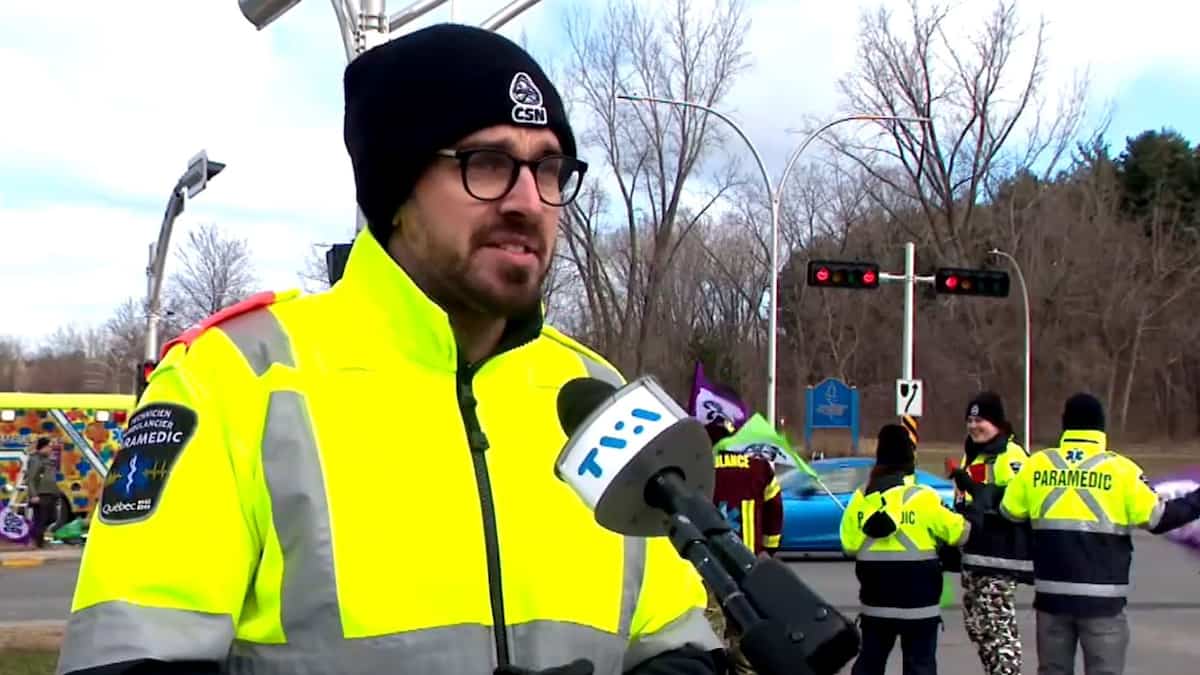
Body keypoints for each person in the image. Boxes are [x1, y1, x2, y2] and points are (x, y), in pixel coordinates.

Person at [57, 24, 720, 675]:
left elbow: (676, 642)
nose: (528, 201)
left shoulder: (598, 396)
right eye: (487, 164)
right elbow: (128, 656)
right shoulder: (233, 380)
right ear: (398, 192)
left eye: (548, 169)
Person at [1000, 393, 1200, 675]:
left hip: (1050, 598)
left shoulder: (1036, 466)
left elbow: (1009, 511)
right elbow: (1159, 519)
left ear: (1065, 425)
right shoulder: (1121, 471)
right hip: (1103, 601)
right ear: (1100, 427)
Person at [841, 424, 972, 675]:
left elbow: (849, 545)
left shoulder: (861, 497)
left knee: (870, 664)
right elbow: (960, 533)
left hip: (875, 603)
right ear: (910, 457)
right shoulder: (923, 497)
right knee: (919, 666)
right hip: (919, 605)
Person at [944, 392, 1032, 675]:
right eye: (969, 420)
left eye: (980, 420)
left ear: (997, 423)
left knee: (998, 631)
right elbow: (968, 504)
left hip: (1000, 559)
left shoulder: (1011, 455)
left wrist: (976, 490)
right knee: (978, 628)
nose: (973, 426)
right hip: (973, 558)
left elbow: (1019, 501)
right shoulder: (972, 455)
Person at [700, 416, 783, 675]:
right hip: (747, 566)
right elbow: (774, 514)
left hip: (706, 567)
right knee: (746, 632)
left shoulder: (697, 469)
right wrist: (768, 550)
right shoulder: (760, 467)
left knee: (708, 634)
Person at [26, 437, 64, 548]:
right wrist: (33, 495)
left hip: (51, 493)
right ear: (43, 447)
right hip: (41, 494)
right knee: (41, 519)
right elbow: (31, 479)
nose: (51, 449)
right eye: (49, 447)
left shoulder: (48, 460)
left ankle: (39, 540)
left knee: (52, 517)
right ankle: (38, 542)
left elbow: (51, 477)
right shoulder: (35, 460)